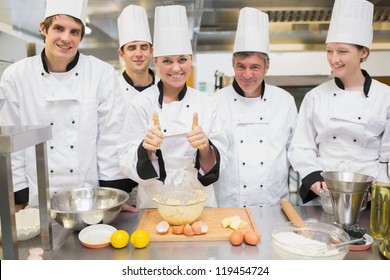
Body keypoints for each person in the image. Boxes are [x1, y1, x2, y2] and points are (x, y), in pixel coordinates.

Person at [0, 0, 136, 212]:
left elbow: (110, 140)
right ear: (43, 29)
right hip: (37, 201)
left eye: (74, 31)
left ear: (81, 36)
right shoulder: (16, 76)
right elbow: (13, 140)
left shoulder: (101, 73)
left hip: (89, 199)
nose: (66, 38)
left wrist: (113, 195)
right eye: (58, 28)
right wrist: (19, 195)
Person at [118, 5, 228, 209]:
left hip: (200, 201)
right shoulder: (141, 104)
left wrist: (205, 147)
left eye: (182, 60)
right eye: (168, 61)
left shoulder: (206, 103)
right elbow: (124, 158)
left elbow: (219, 162)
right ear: (156, 60)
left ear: (191, 61)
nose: (176, 68)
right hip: (154, 202)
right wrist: (146, 149)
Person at [288, 0, 390, 204]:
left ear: (364, 52)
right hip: (323, 195)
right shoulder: (315, 97)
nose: (334, 59)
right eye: (329, 50)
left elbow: (388, 153)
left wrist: (378, 187)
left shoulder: (385, 96)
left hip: (370, 198)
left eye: (342, 51)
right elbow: (301, 145)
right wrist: (312, 175)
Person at [213, 7, 298, 208]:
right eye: (241, 66)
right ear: (233, 66)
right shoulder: (215, 102)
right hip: (228, 206)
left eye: (254, 67)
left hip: (273, 204)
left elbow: (296, 149)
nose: (247, 74)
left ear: (266, 67)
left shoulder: (284, 101)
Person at [117, 4, 155, 208]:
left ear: (152, 51)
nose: (138, 53)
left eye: (143, 47)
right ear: (121, 54)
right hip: (118, 185)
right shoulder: (110, 90)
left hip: (156, 185)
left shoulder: (165, 90)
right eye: (132, 47)